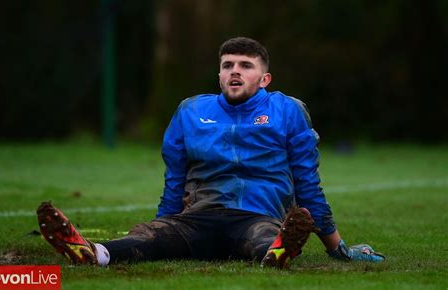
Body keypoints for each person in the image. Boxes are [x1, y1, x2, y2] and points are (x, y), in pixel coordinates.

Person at [37, 37, 385, 268]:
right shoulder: (189, 111)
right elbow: (174, 180)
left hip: (256, 216)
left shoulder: (288, 110)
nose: (235, 70)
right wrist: (165, 219)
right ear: (219, 75)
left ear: (265, 78)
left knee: (264, 239)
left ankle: (279, 252)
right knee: (152, 237)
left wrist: (336, 246)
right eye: (228, 65)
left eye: (246, 65)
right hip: (197, 218)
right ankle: (93, 252)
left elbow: (308, 183)